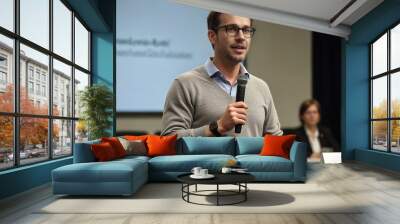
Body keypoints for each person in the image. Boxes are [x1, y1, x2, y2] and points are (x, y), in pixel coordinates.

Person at [161, 11, 282, 138]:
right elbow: (168, 140)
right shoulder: (185, 84)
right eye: (231, 29)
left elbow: (276, 142)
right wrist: (217, 127)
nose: (241, 37)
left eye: (246, 30)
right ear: (212, 36)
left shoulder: (261, 87)